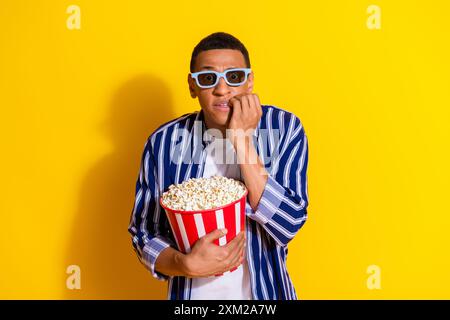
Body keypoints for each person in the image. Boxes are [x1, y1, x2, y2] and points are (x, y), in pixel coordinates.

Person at [128, 32, 309, 300]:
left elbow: (289, 223)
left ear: (249, 82)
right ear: (192, 86)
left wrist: (241, 140)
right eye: (208, 78)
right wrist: (183, 264)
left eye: (234, 77)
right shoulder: (163, 142)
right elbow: (144, 233)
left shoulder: (284, 129)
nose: (222, 89)